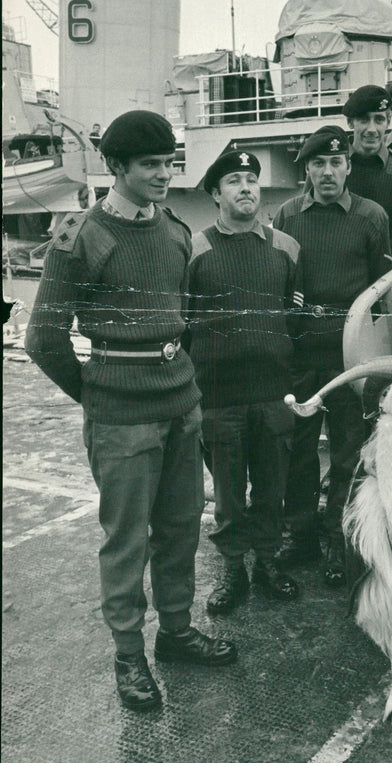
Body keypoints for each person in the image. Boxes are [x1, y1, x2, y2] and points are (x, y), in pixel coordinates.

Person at [25, 110, 237, 713]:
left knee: (180, 529)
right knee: (126, 541)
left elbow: (183, 317)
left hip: (180, 405)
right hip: (122, 418)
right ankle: (128, 654)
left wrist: (179, 381)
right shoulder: (81, 237)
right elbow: (44, 339)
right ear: (116, 167)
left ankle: (175, 633)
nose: (164, 174)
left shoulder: (172, 230)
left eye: (169, 162)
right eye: (150, 165)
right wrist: (97, 395)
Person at [272, 127, 392, 585]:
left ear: (348, 167)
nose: (327, 173)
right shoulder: (287, 215)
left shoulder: (371, 216)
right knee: (298, 452)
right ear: (307, 169)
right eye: (318, 164)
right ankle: (299, 534)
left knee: (348, 454)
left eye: (336, 164)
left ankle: (341, 543)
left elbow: (383, 295)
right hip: (301, 355)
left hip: (350, 357)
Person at [187, 150, 303, 615]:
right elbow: (183, 321)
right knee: (230, 494)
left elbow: (294, 317)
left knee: (272, 487)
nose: (246, 188)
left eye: (251, 179)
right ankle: (233, 569)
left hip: (272, 393)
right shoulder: (194, 249)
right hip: (218, 397)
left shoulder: (286, 248)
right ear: (216, 193)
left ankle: (268, 563)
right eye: (234, 180)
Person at [343, 84, 392, 265]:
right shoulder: (330, 166)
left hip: (384, 274)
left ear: (388, 122)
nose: (372, 129)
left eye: (379, 120)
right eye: (363, 119)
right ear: (350, 122)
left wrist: (367, 255)